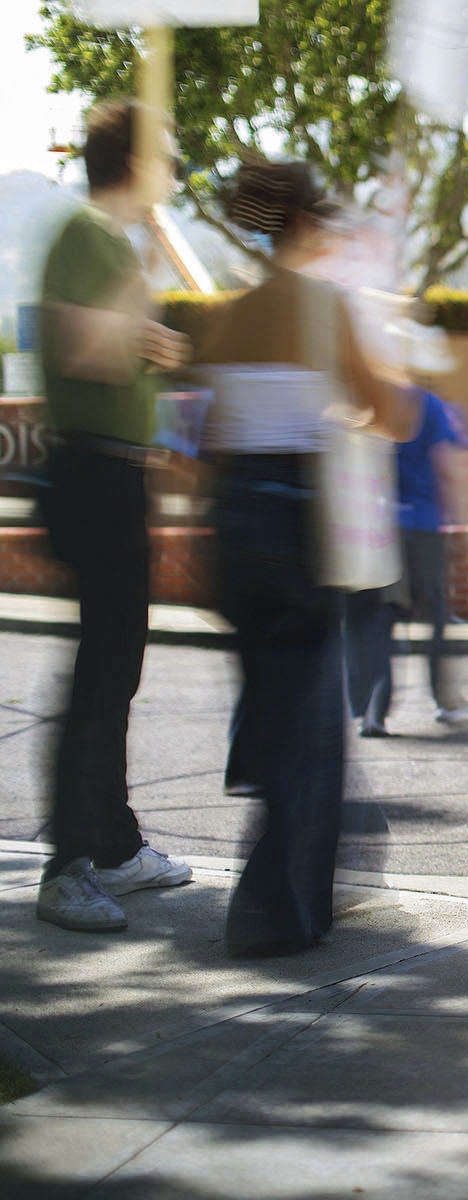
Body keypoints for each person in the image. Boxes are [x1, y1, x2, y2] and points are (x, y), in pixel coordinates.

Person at [197, 160, 416, 956]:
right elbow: (392, 413)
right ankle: (273, 910)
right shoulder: (323, 307)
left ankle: (302, 892)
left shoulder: (228, 314)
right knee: (314, 726)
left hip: (235, 525)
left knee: (287, 708)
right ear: (301, 226)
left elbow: (211, 440)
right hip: (297, 527)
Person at [33, 99, 195, 932]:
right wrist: (139, 316)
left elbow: (121, 348)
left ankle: (114, 845)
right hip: (88, 473)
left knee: (118, 669)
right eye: (164, 156)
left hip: (119, 476)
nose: (173, 171)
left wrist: (150, 343)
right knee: (100, 674)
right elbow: (78, 351)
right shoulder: (82, 235)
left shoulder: (111, 243)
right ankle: (65, 868)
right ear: (132, 163)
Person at [345, 327, 468, 736]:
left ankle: (373, 708)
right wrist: (466, 523)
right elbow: (451, 468)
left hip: (381, 531)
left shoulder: (373, 403)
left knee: (381, 620)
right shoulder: (433, 407)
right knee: (436, 616)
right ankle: (447, 702)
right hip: (423, 528)